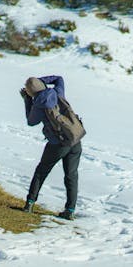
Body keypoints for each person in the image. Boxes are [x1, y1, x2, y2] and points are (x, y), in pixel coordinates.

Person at [20, 75, 82, 220]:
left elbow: (31, 121)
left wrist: (27, 100)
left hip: (57, 144)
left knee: (41, 171)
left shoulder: (39, 104)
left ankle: (29, 204)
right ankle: (70, 210)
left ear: (30, 92)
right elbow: (59, 78)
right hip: (75, 139)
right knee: (71, 175)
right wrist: (42, 81)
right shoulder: (58, 92)